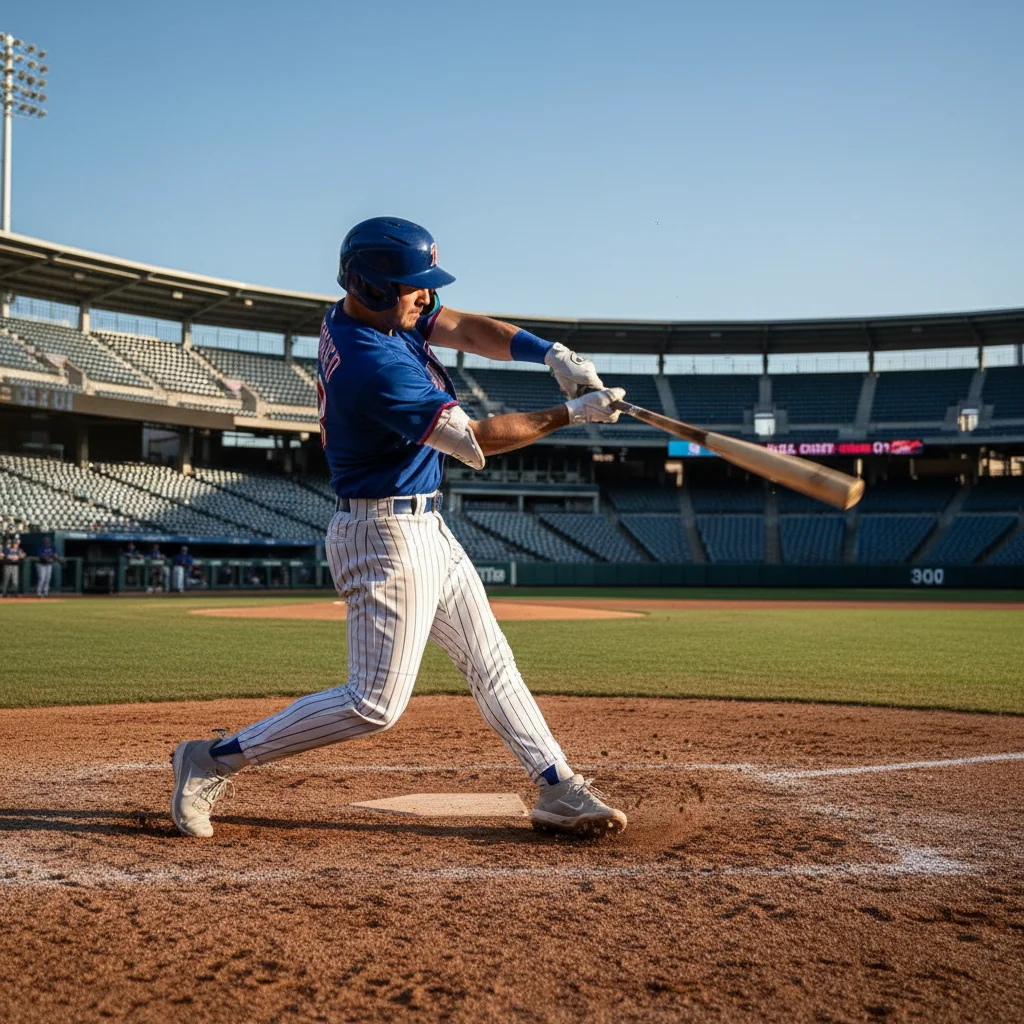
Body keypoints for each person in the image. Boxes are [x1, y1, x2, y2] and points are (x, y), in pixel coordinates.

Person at [171, 216, 628, 839]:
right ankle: (208, 759)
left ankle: (558, 788)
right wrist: (573, 414)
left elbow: (464, 325)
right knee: (374, 705)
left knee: (491, 662)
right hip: (381, 536)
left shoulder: (373, 311)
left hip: (425, 526)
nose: (425, 297)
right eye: (413, 287)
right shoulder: (372, 363)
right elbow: (471, 442)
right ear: (375, 287)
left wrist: (550, 353)